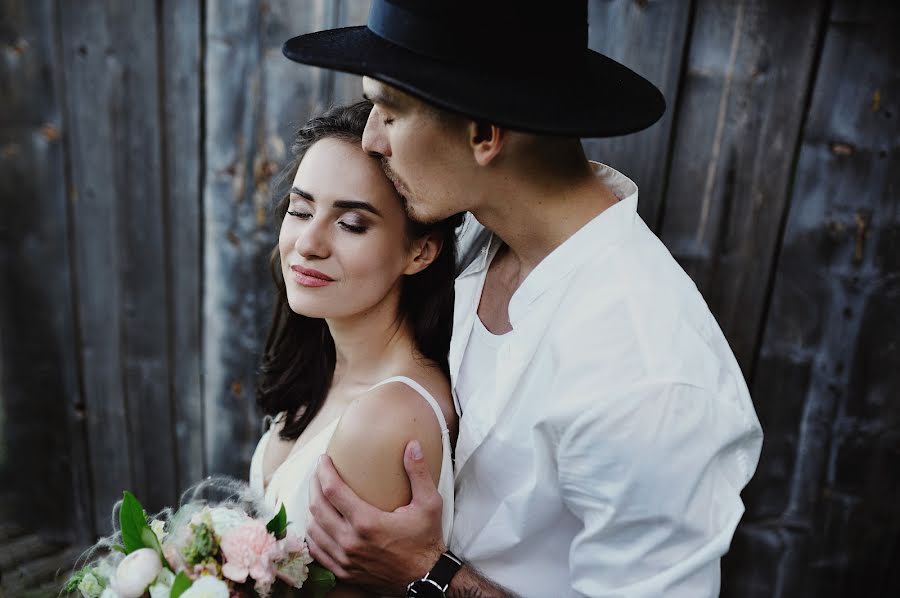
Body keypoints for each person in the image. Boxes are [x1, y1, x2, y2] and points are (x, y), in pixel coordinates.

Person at [284, 2, 764, 597]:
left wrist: (429, 574)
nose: (370, 138)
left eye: (392, 110)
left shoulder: (649, 373)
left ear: (485, 135)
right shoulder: (464, 239)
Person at [249, 101, 462, 597]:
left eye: (351, 224)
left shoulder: (389, 419)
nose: (308, 243)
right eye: (300, 211)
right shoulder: (327, 365)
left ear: (420, 251)